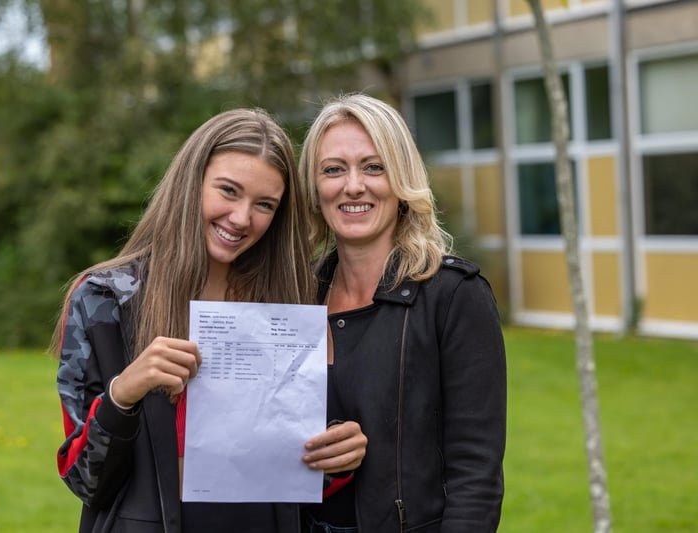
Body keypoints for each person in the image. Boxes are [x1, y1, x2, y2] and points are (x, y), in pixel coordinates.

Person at [51, 108, 323, 532]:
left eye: (264, 205)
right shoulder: (103, 300)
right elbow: (84, 478)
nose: (241, 218)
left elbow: (308, 469)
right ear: (191, 182)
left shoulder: (293, 303)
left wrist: (334, 457)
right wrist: (123, 394)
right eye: (229, 191)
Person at [297, 94, 507, 533]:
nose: (353, 186)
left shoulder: (453, 297)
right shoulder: (296, 296)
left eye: (374, 167)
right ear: (315, 189)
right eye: (334, 169)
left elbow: (476, 478)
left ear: (401, 180)